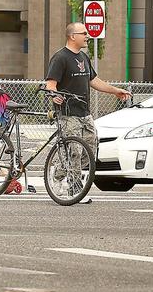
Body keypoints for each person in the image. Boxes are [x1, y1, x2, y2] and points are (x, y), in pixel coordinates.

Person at [45, 23, 131, 201]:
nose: (87, 36)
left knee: (91, 148)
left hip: (85, 112)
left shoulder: (83, 57)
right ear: (72, 36)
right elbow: (51, 84)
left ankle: (59, 172)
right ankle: (74, 189)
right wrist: (54, 96)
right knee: (74, 150)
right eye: (83, 33)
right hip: (68, 113)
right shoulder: (60, 58)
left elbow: (94, 81)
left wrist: (116, 90)